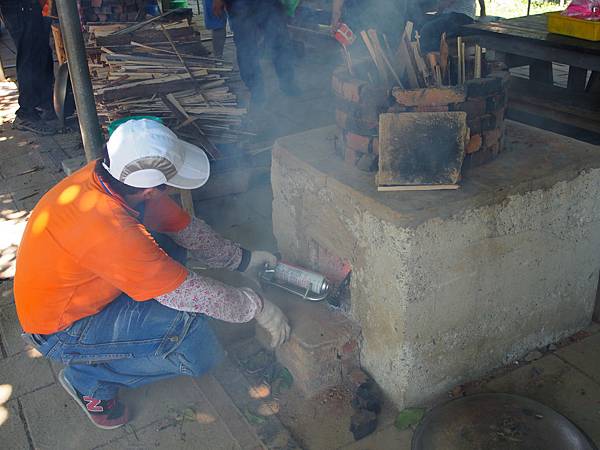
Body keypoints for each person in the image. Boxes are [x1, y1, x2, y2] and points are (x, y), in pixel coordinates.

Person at [14, 119, 290, 429]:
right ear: (148, 190)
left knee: (170, 251)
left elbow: (185, 230)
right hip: (61, 330)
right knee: (199, 346)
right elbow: (189, 293)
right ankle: (89, 378)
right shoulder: (109, 227)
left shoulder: (113, 178)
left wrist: (242, 260)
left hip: (76, 294)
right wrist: (258, 308)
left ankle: (120, 347)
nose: (172, 188)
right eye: (170, 181)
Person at [212, 0, 300, 106]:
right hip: (239, 5)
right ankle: (256, 90)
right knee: (246, 47)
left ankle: (287, 81)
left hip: (269, 3)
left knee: (280, 39)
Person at [0, 0, 56, 135]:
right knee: (29, 57)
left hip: (32, 5)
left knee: (42, 53)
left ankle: (44, 103)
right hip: (20, 6)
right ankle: (26, 112)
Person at [419, 0, 486, 52]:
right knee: (426, 25)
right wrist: (483, 10)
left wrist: (438, 9)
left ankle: (434, 63)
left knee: (427, 31)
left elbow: (446, 2)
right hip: (464, 17)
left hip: (458, 17)